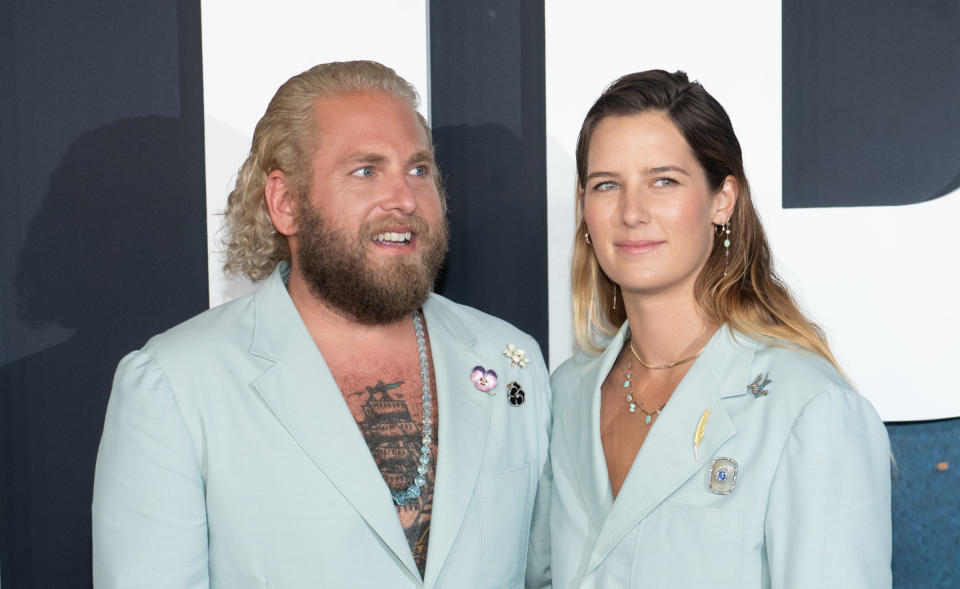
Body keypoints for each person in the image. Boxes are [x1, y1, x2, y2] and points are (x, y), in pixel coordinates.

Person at [93, 61, 551, 589]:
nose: (404, 199)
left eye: (419, 170)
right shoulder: (175, 385)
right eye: (366, 171)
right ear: (285, 203)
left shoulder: (509, 360)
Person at [549, 70, 891, 588]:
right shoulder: (565, 395)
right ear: (584, 207)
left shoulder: (809, 409)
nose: (631, 212)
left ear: (722, 199)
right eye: (606, 185)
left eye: (663, 180)